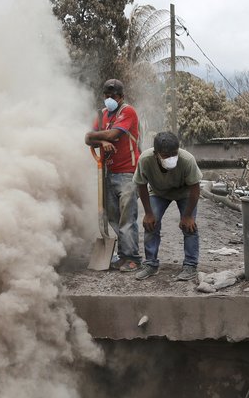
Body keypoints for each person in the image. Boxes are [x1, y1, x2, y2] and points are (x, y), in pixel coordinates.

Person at [84, 79, 141, 271]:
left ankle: (132, 258)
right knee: (114, 217)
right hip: (109, 173)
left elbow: (113, 135)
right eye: (107, 96)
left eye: (114, 96)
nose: (110, 99)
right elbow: (87, 138)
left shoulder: (127, 112)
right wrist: (99, 142)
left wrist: (97, 137)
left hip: (128, 172)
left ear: (121, 97)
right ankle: (123, 255)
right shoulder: (101, 116)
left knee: (127, 218)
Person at [133, 132, 202, 281]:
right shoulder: (145, 159)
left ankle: (190, 265)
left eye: (174, 153)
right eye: (166, 155)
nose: (171, 158)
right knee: (151, 223)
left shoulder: (187, 160)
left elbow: (195, 188)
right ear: (156, 153)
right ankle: (151, 264)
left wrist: (188, 215)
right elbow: (141, 185)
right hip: (158, 192)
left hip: (184, 192)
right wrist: (148, 213)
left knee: (189, 226)